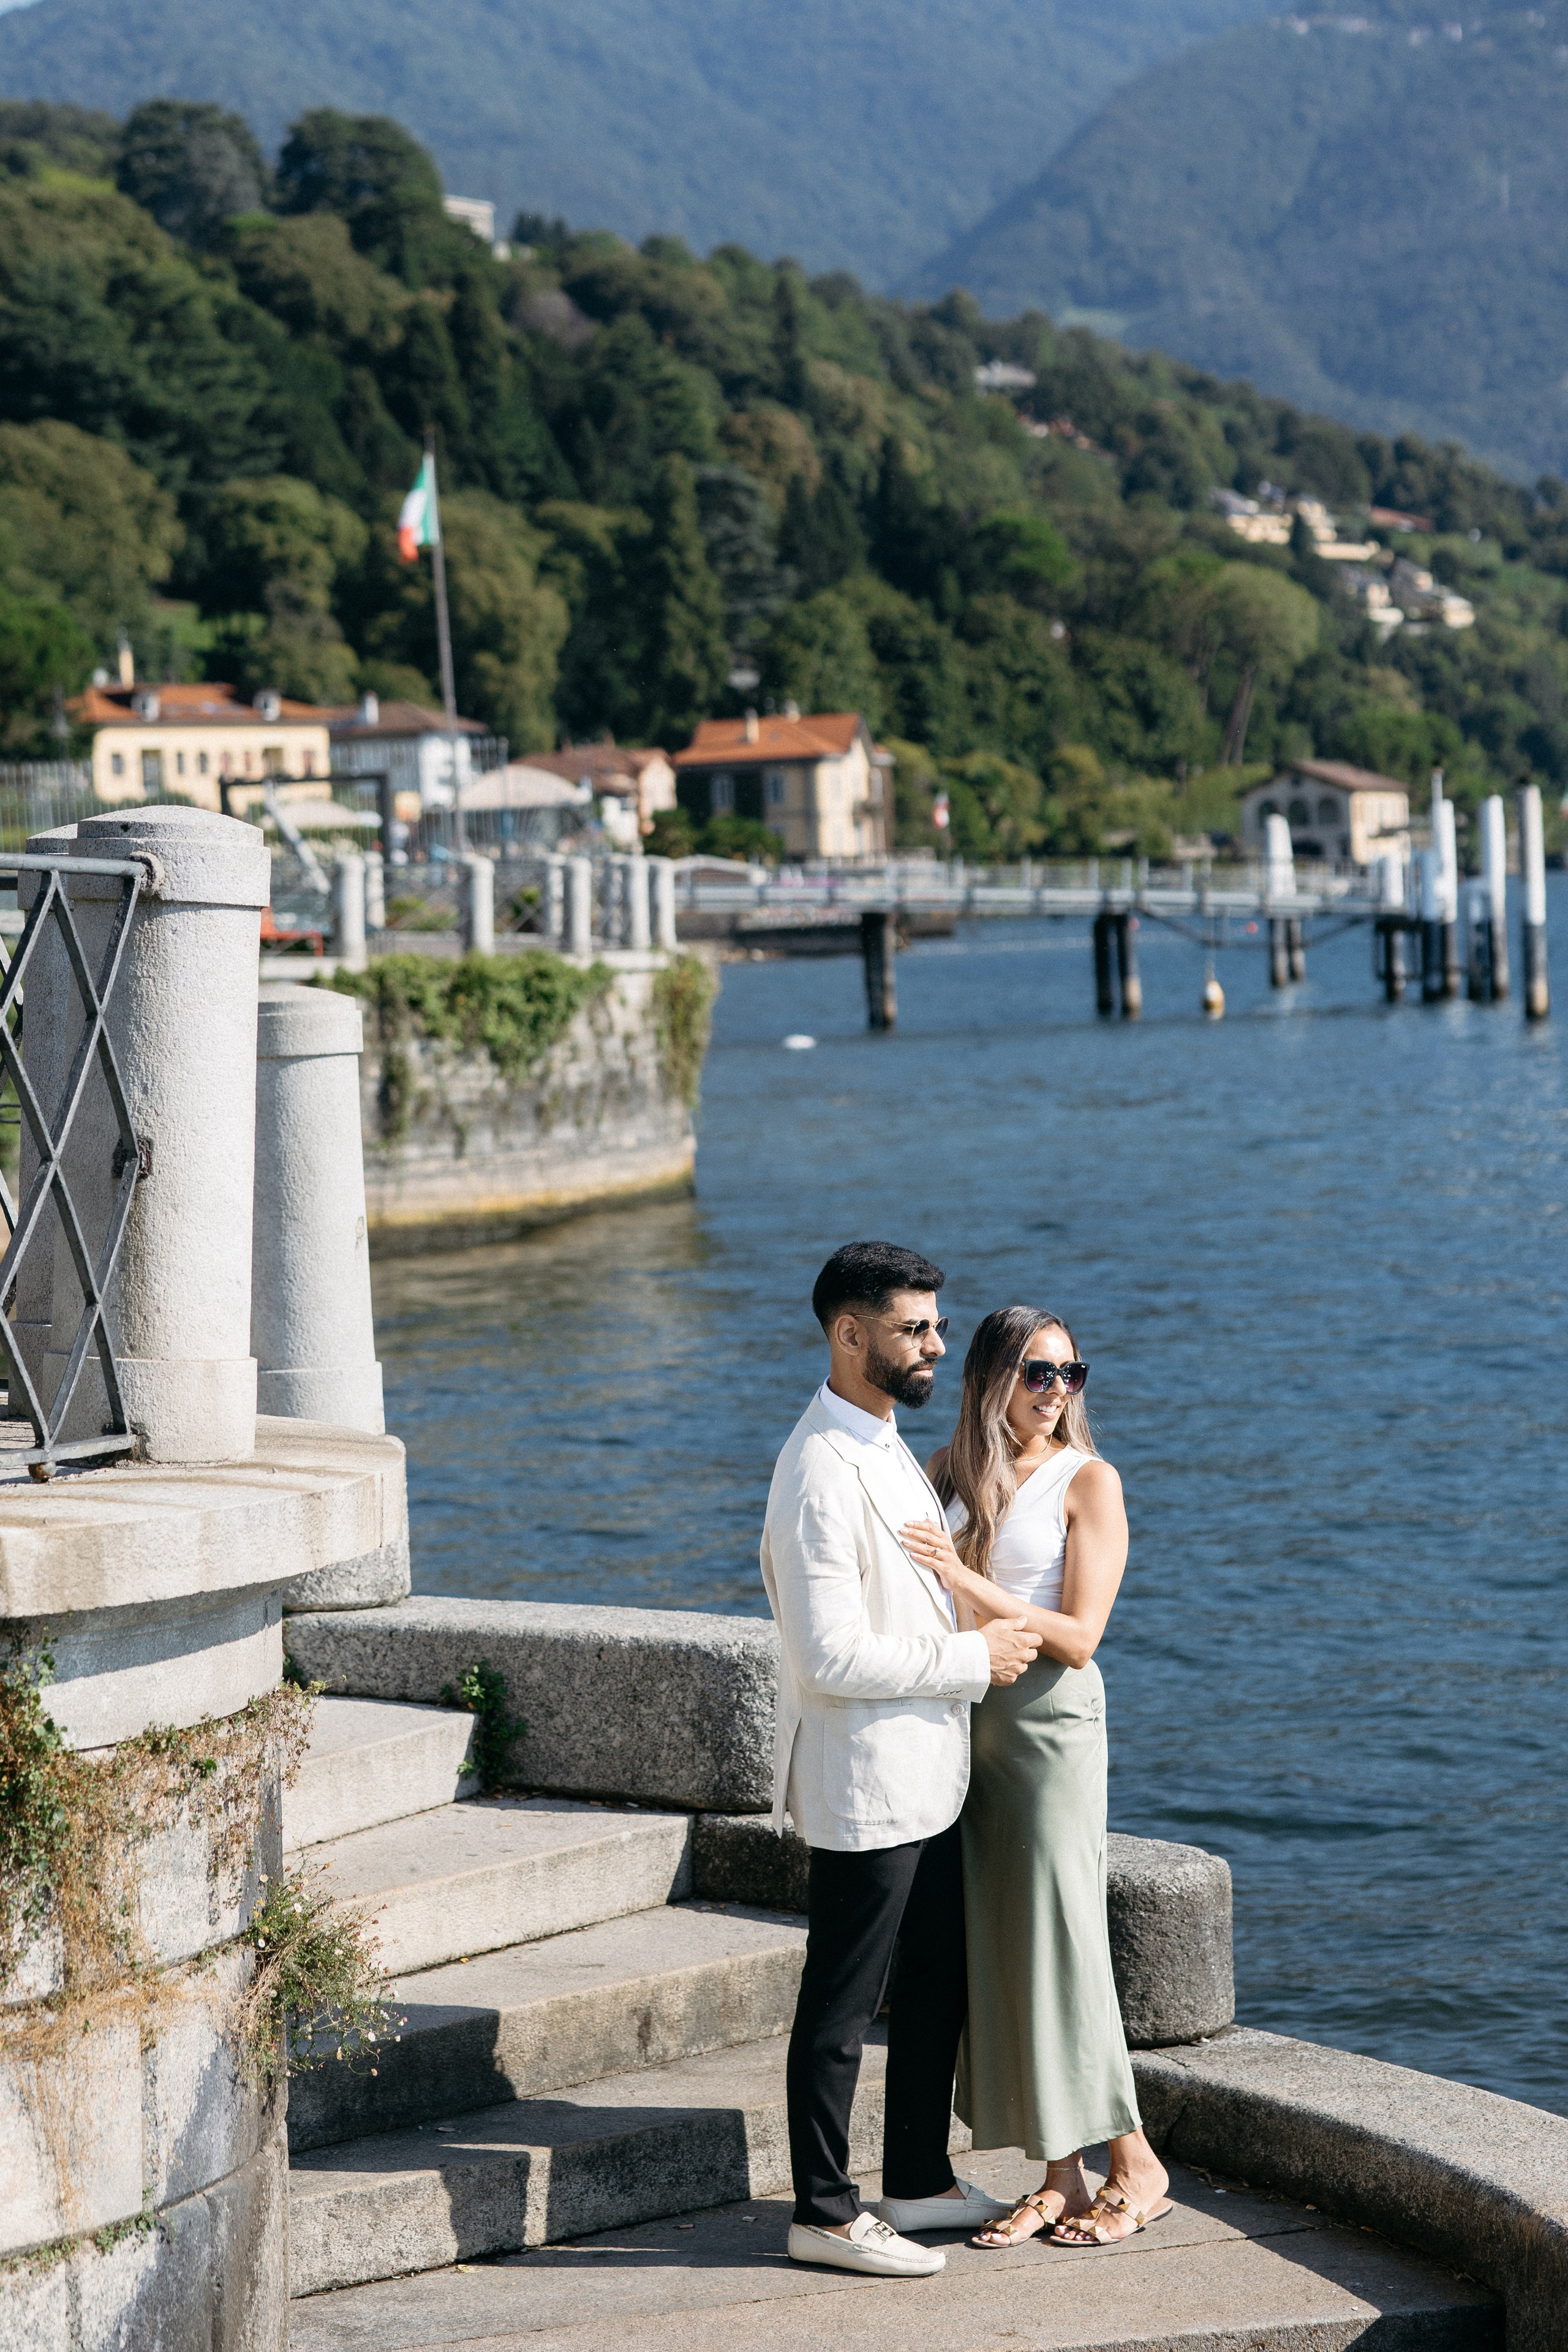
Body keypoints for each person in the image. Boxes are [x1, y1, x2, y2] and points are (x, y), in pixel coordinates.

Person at [761, 1243, 1044, 2279]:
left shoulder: (880, 1440)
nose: (934, 1345)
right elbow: (826, 1656)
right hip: (866, 1778)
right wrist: (975, 1654)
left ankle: (917, 2179)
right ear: (849, 1336)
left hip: (925, 1772)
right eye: (913, 1329)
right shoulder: (818, 1471)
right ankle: (825, 2214)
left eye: (933, 1324)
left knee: (935, 1982)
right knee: (840, 2005)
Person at [900, 1305, 1174, 2250]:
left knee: (1064, 1942)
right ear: (991, 1378)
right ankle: (1059, 2174)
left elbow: (1082, 1637)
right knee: (1005, 1948)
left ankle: (1136, 2163)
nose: (1057, 1393)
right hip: (969, 1730)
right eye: (1037, 1373)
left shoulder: (1088, 1481)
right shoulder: (948, 1475)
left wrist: (967, 1582)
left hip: (1051, 1732)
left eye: (1070, 1374)